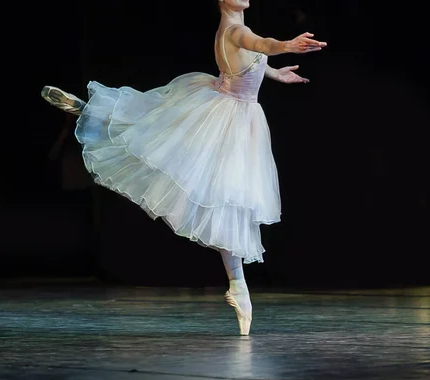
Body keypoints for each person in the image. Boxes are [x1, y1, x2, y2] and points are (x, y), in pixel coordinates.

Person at [41, 0, 327, 335]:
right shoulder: (236, 29)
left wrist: (276, 72)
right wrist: (286, 46)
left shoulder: (231, 30)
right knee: (222, 197)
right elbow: (260, 45)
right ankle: (238, 287)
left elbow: (252, 58)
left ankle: (91, 111)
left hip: (229, 108)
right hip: (229, 118)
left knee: (152, 130)